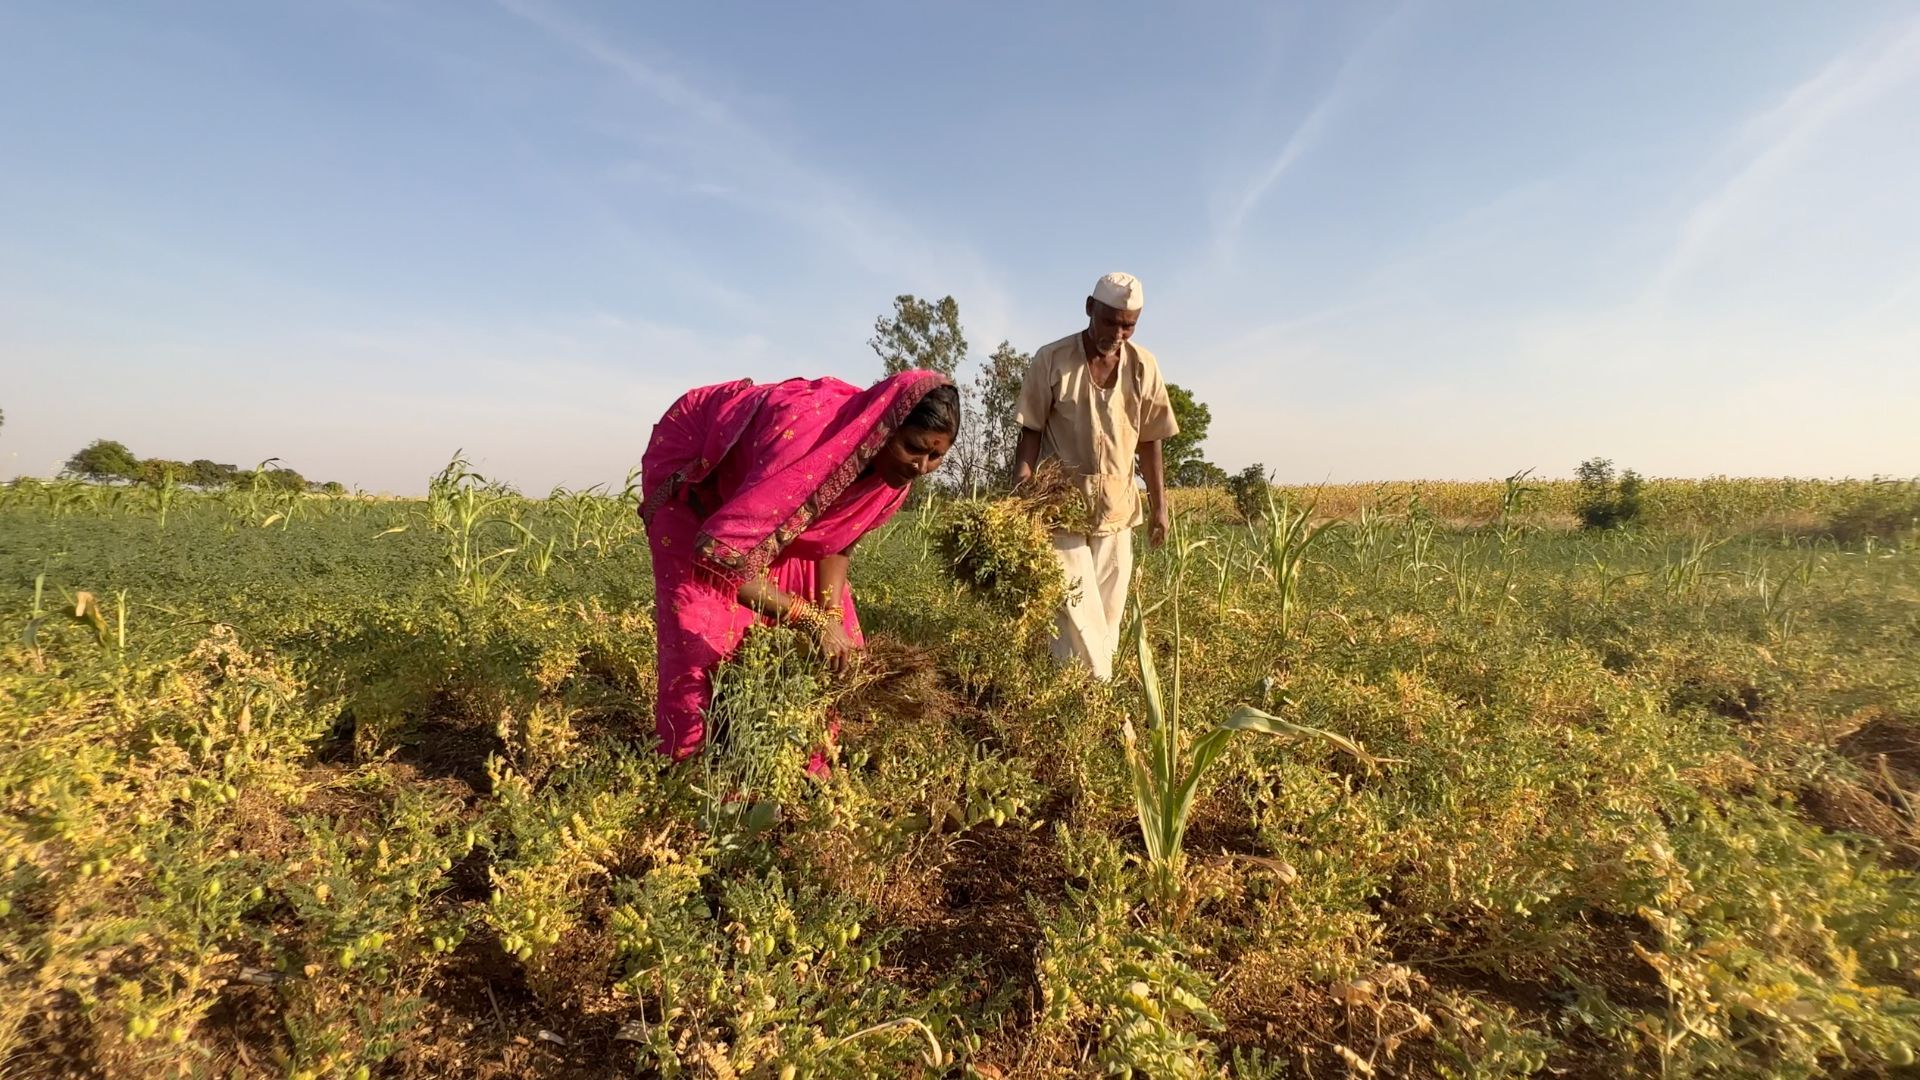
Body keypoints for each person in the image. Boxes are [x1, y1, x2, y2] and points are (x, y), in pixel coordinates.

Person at [639, 370, 958, 760]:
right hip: (698, 479)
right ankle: (689, 777)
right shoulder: (807, 443)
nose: (921, 467)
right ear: (885, 428)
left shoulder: (890, 483)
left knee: (843, 650)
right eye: (914, 448)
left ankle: (804, 767)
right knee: (704, 634)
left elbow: (838, 544)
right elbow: (719, 559)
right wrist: (809, 619)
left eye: (936, 456)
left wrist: (830, 613)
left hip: (773, 511)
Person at [1013, 272, 1178, 681]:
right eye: (1110, 321)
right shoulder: (1051, 359)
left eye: (1129, 324)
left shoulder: (1144, 366)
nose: (1118, 332)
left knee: (1107, 614)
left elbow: (1152, 439)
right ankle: (1092, 696)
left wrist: (1160, 507)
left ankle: (1078, 695)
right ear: (1090, 308)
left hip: (1118, 508)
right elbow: (1030, 430)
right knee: (1074, 608)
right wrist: (1021, 493)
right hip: (1061, 506)